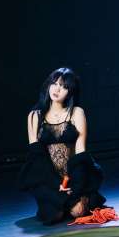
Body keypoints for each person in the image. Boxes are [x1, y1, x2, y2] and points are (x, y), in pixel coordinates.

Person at [18, 67, 106, 225]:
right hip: (47, 177)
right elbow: (36, 156)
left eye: (64, 86)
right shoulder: (35, 116)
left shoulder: (77, 112)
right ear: (48, 85)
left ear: (70, 92)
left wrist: (76, 185)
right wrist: (55, 184)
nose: (57, 89)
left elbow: (80, 152)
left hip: (73, 175)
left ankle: (79, 199)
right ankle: (56, 202)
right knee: (54, 215)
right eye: (54, 83)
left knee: (78, 211)